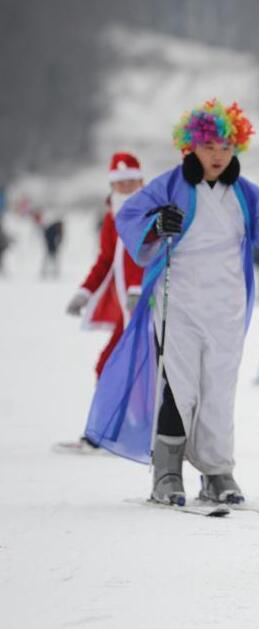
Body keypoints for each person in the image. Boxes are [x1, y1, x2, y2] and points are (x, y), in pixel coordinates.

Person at [83, 99, 259, 506]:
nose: (218, 156)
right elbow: (132, 217)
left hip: (226, 305)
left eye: (226, 148)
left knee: (219, 389)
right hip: (179, 302)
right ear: (191, 147)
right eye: (210, 147)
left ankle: (216, 472)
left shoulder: (245, 194)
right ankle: (167, 474)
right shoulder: (169, 185)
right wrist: (156, 225)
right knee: (179, 386)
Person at [57, 153, 146, 453]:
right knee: (110, 365)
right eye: (120, 182)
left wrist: (139, 288)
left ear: (141, 180)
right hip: (126, 307)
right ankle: (110, 429)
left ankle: (124, 431)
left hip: (146, 305)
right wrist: (85, 291)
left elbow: (153, 255)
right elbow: (107, 260)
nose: (126, 186)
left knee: (140, 367)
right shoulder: (111, 217)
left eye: (131, 180)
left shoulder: (150, 212)